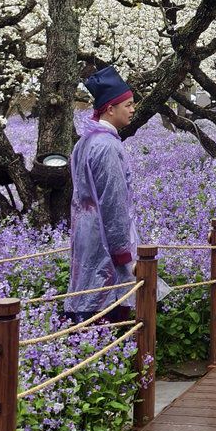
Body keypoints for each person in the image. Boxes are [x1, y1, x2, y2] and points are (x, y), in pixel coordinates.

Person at [68, 65, 138, 323]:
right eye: (128, 105)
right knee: (105, 297)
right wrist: (123, 251)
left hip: (86, 230)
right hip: (104, 236)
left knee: (86, 288)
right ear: (110, 108)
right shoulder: (107, 146)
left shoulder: (85, 141)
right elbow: (113, 202)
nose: (133, 109)